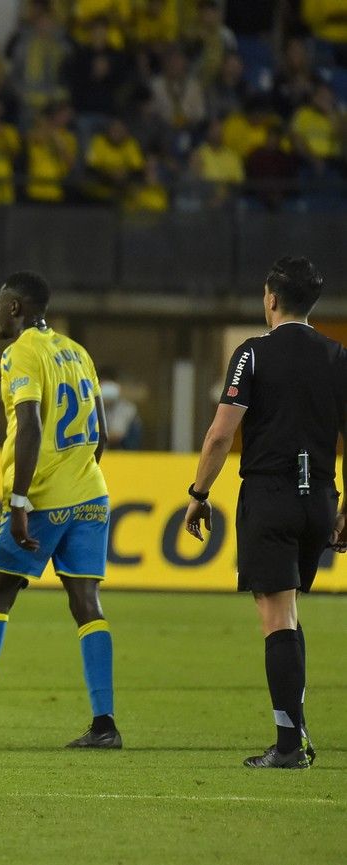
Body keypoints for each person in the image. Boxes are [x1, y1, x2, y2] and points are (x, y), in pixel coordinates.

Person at [0, 271, 121, 749]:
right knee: (87, 605)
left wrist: (21, 498)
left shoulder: (20, 354)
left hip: (43, 498)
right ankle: (104, 725)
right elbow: (103, 434)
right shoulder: (78, 351)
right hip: (91, 494)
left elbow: (30, 424)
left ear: (16, 307)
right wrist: (78, 476)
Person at [183, 257, 347, 769]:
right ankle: (296, 732)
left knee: (275, 619)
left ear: (271, 298)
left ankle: (287, 746)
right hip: (320, 498)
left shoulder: (251, 354)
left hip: (271, 496)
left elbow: (219, 434)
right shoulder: (338, 356)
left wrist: (199, 492)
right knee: (289, 612)